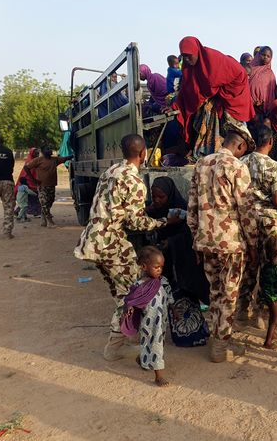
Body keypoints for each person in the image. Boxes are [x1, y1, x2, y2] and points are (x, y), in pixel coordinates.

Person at [74, 134, 181, 361]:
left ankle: (130, 335)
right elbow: (136, 223)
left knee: (120, 290)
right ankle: (113, 347)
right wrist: (165, 222)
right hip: (111, 244)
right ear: (143, 154)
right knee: (131, 295)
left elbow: (116, 207)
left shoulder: (110, 172)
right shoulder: (134, 181)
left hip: (93, 242)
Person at [187, 128, 259, 363]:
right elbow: (246, 211)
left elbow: (192, 208)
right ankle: (220, 347)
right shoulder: (237, 167)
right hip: (231, 243)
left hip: (206, 241)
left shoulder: (201, 164)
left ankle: (215, 335)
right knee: (229, 295)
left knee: (215, 291)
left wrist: (196, 240)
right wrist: (254, 243)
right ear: (239, 147)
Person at [175, 36, 255, 158]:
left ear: (197, 51)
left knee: (235, 131)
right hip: (217, 97)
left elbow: (237, 74)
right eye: (183, 56)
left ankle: (236, 157)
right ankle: (209, 153)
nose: (186, 59)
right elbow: (188, 89)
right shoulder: (190, 67)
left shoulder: (212, 60)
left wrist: (220, 92)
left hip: (234, 95)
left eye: (189, 55)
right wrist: (175, 105)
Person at [238, 126, 277, 323]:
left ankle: (243, 308)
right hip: (269, 221)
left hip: (247, 218)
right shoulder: (274, 166)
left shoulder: (242, 162)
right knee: (269, 266)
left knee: (249, 262)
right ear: (271, 142)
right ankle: (262, 311)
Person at [146, 176, 209, 306]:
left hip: (181, 252)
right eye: (154, 196)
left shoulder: (181, 208)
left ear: (169, 194)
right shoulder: (152, 209)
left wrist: (171, 241)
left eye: (161, 197)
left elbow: (188, 233)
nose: (157, 200)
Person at [120, 246, 173, 387]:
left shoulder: (163, 281)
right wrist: (129, 309)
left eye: (161, 267)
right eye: (156, 267)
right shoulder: (139, 285)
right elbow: (131, 300)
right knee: (155, 344)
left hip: (162, 321)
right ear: (144, 266)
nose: (159, 270)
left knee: (155, 343)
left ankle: (142, 358)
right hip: (148, 323)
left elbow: (169, 297)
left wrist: (176, 311)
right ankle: (159, 375)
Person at [25, 145, 73, 228]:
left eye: (50, 148)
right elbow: (26, 168)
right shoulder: (38, 160)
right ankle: (50, 222)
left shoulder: (54, 160)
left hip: (51, 185)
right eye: (48, 149)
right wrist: (33, 180)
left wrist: (72, 155)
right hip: (42, 186)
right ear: (43, 152)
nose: (50, 150)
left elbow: (65, 158)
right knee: (44, 203)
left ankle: (43, 219)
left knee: (50, 201)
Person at [0, 134, 15, 239]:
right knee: (8, 207)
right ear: (3, 141)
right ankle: (7, 233)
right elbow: (11, 167)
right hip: (7, 181)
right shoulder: (9, 152)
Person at [249, 46, 277, 115]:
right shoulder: (250, 70)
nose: (265, 57)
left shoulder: (271, 74)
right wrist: (252, 101)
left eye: (268, 56)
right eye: (263, 55)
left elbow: (271, 93)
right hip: (249, 105)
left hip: (264, 108)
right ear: (258, 55)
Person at [15, 148, 41, 217]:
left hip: (34, 183)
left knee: (32, 200)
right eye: (36, 153)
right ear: (32, 153)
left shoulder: (36, 161)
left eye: (38, 153)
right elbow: (26, 174)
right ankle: (18, 212)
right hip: (29, 184)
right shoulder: (30, 162)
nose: (37, 154)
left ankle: (36, 212)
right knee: (28, 200)